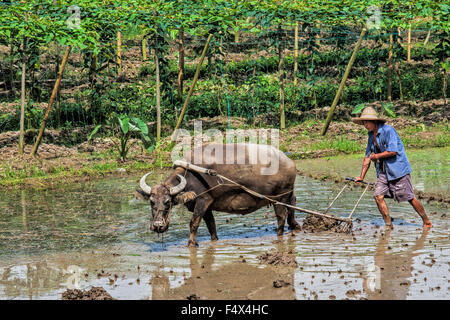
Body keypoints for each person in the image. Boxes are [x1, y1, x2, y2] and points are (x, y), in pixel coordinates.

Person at [352, 107, 432, 229]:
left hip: (398, 170)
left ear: (375, 121)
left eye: (367, 122)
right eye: (364, 122)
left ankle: (426, 221)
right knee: (378, 196)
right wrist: (361, 176)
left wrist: (376, 156)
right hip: (383, 171)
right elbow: (367, 157)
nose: (365, 125)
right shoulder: (370, 135)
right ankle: (388, 225)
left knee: (409, 197)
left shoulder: (389, 131)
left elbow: (393, 151)